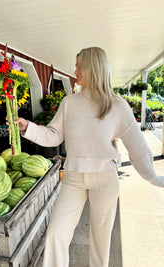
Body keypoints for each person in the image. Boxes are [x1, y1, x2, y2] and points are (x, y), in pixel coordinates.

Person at [13, 47, 164, 267]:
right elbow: (54, 135)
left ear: (94, 67)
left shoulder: (117, 105)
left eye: (79, 66)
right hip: (73, 178)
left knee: (100, 241)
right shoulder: (69, 103)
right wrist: (29, 128)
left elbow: (138, 148)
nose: (75, 71)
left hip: (105, 179)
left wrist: (154, 178)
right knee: (56, 233)